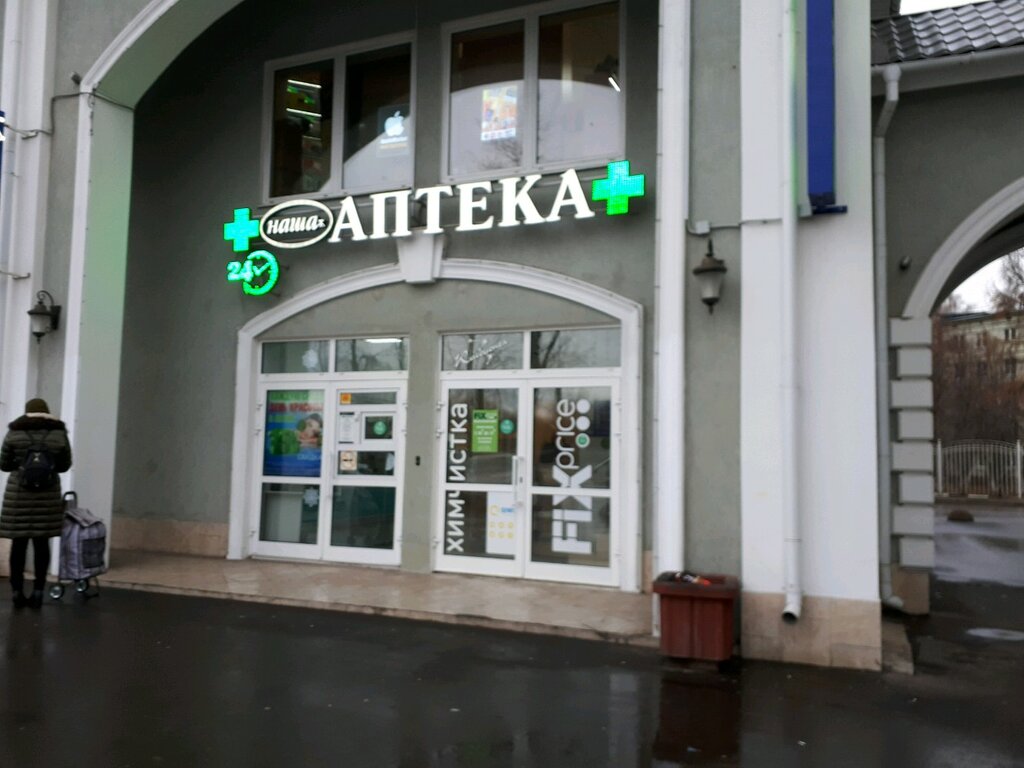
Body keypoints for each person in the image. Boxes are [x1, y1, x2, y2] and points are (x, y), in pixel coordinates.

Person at [0, 398, 72, 609]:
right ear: (47, 412)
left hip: (19, 495)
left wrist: (22, 466)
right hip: (47, 496)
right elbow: (64, 465)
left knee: (19, 544)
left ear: (27, 412)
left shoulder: (15, 432)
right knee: (41, 543)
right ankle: (39, 591)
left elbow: (4, 464)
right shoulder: (58, 433)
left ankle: (16, 591)